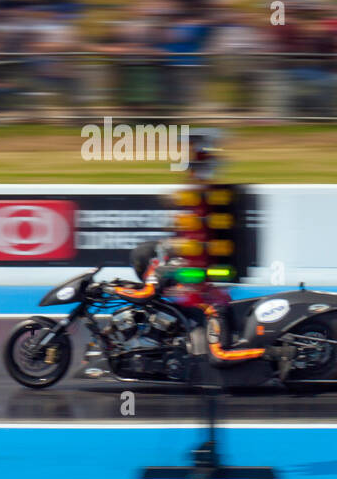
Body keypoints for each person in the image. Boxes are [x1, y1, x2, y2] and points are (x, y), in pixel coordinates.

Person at [112, 130, 290, 373]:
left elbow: (144, 294)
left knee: (219, 356)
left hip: (209, 305)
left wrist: (108, 289)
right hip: (204, 300)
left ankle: (275, 353)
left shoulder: (160, 269)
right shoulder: (177, 255)